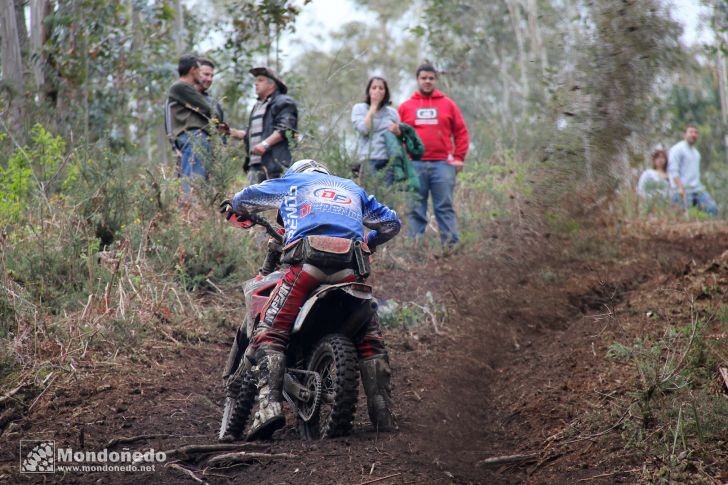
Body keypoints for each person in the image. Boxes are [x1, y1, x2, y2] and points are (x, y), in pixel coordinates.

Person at [221, 159, 400, 440]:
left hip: (306, 268)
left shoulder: (292, 183)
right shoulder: (353, 189)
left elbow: (247, 198)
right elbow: (391, 223)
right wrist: (371, 241)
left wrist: (234, 205)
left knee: (270, 332)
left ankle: (267, 408)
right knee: (370, 340)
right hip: (350, 272)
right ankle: (383, 412)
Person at [398, 62, 469, 247]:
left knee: (444, 207)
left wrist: (459, 157)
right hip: (415, 165)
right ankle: (414, 248)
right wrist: (402, 163)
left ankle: (451, 248)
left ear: (436, 79)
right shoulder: (406, 106)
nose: (427, 81)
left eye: (431, 78)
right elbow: (397, 136)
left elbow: (461, 132)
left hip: (443, 165)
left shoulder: (448, 105)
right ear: (417, 80)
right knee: (415, 208)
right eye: (424, 78)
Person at [165, 54, 215, 194]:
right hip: (194, 138)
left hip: (194, 139)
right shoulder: (181, 87)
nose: (203, 77)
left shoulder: (183, 90)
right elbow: (210, 109)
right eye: (201, 72)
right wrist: (173, 144)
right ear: (193, 70)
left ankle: (194, 212)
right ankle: (192, 212)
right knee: (194, 182)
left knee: (195, 180)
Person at [243, 67, 299, 184]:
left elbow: (286, 128)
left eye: (260, 80)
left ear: (272, 85)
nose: (256, 83)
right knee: (252, 201)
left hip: (274, 166)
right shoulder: (257, 107)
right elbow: (250, 134)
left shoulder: (283, 102)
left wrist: (264, 144)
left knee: (273, 201)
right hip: (254, 166)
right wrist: (230, 132)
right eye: (256, 80)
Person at [351, 76, 401, 184]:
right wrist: (373, 106)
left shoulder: (392, 113)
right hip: (368, 159)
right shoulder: (359, 108)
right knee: (369, 194)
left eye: (381, 88)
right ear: (368, 91)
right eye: (374, 88)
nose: (377, 91)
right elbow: (364, 130)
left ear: (386, 92)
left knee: (386, 198)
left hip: (388, 162)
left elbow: (399, 139)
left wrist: (398, 132)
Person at [667, 125, 718, 216]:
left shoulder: (696, 153)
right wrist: (680, 188)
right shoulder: (677, 149)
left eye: (696, 132)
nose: (693, 134)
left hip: (697, 190)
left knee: (712, 208)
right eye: (691, 132)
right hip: (682, 191)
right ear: (684, 134)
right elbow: (673, 170)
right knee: (684, 218)